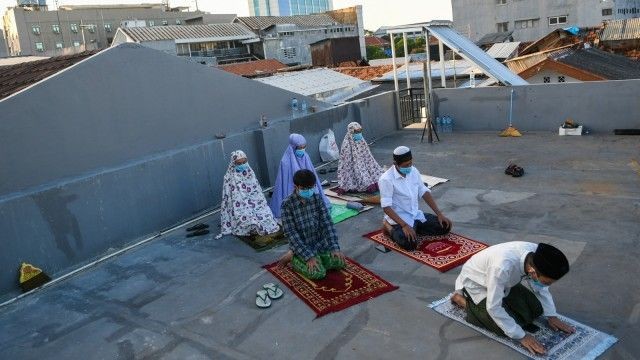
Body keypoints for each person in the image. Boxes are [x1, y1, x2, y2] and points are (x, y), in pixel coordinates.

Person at [451, 242, 575, 355]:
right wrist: (521, 336)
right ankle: (462, 300)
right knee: (501, 328)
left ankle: (503, 294)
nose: (548, 285)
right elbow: (493, 307)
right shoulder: (502, 267)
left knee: (536, 309)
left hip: (502, 281)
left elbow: (541, 288)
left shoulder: (537, 256)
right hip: (477, 282)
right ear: (532, 272)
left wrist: (551, 315)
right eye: (547, 282)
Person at [378, 146, 452, 250]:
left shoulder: (413, 171)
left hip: (415, 215)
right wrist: (404, 226)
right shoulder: (386, 179)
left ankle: (415, 229)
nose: (409, 167)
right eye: (406, 165)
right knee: (410, 244)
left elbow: (424, 192)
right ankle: (388, 228)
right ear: (395, 164)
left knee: (445, 226)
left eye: (410, 163)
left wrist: (439, 214)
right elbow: (386, 207)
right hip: (398, 220)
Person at [280, 169, 345, 280]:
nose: (308, 191)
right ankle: (294, 258)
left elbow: (327, 223)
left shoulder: (317, 198)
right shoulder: (287, 204)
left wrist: (334, 247)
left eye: (311, 187)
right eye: (304, 189)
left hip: (320, 243)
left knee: (339, 263)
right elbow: (291, 234)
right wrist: (308, 257)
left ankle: (313, 257)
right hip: (302, 247)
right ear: (296, 187)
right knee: (318, 274)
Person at [220, 150, 280, 241]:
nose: (243, 165)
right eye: (239, 163)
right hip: (240, 206)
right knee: (247, 219)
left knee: (267, 218)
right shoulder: (229, 178)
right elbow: (228, 199)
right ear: (234, 164)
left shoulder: (250, 172)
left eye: (244, 162)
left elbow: (257, 192)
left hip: (256, 204)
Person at [270, 133, 331, 219]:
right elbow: (285, 182)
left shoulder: (305, 156)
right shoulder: (285, 162)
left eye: (304, 147)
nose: (302, 150)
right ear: (293, 147)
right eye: (300, 148)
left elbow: (311, 172)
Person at [336, 122, 383, 194]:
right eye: (357, 132)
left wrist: (365, 162)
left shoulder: (361, 139)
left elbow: (367, 154)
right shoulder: (346, 143)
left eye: (360, 131)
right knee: (359, 171)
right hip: (353, 165)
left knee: (374, 170)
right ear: (351, 132)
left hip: (365, 161)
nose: (359, 133)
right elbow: (346, 160)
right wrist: (358, 163)